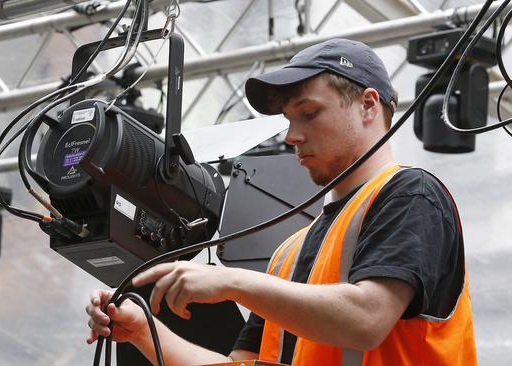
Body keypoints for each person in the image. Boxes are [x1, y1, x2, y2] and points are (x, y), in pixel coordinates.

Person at [86, 38, 477, 365]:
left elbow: (367, 319)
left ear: (369, 106)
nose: (292, 135)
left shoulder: (411, 193)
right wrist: (143, 333)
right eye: (289, 120)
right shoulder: (289, 253)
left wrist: (232, 281)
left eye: (309, 113)